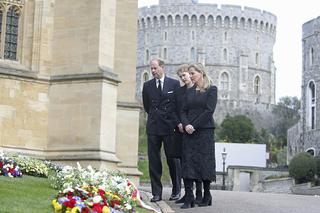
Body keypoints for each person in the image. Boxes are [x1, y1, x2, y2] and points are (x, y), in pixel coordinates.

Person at [142, 58, 182, 202]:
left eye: (155, 68)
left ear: (162, 67)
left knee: (173, 159)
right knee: (154, 160)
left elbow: (178, 106)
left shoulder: (174, 84)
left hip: (170, 126)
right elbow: (147, 107)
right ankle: (156, 193)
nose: (152, 71)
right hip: (153, 126)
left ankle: (176, 190)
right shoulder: (147, 86)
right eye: (151, 69)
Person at [180, 63, 218, 209]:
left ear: (201, 73)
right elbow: (183, 110)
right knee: (188, 161)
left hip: (204, 131)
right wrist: (186, 125)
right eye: (189, 73)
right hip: (189, 131)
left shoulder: (211, 89)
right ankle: (189, 196)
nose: (190, 76)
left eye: (192, 73)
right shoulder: (189, 91)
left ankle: (207, 194)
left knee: (204, 162)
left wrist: (194, 126)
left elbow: (209, 111)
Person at [173, 64, 203, 205]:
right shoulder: (179, 92)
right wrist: (179, 123)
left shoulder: (199, 90)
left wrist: (193, 125)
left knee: (196, 162)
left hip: (196, 130)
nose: (184, 78)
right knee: (185, 163)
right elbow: (176, 110)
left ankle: (199, 194)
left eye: (184, 75)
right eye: (181, 77)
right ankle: (188, 193)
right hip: (182, 131)